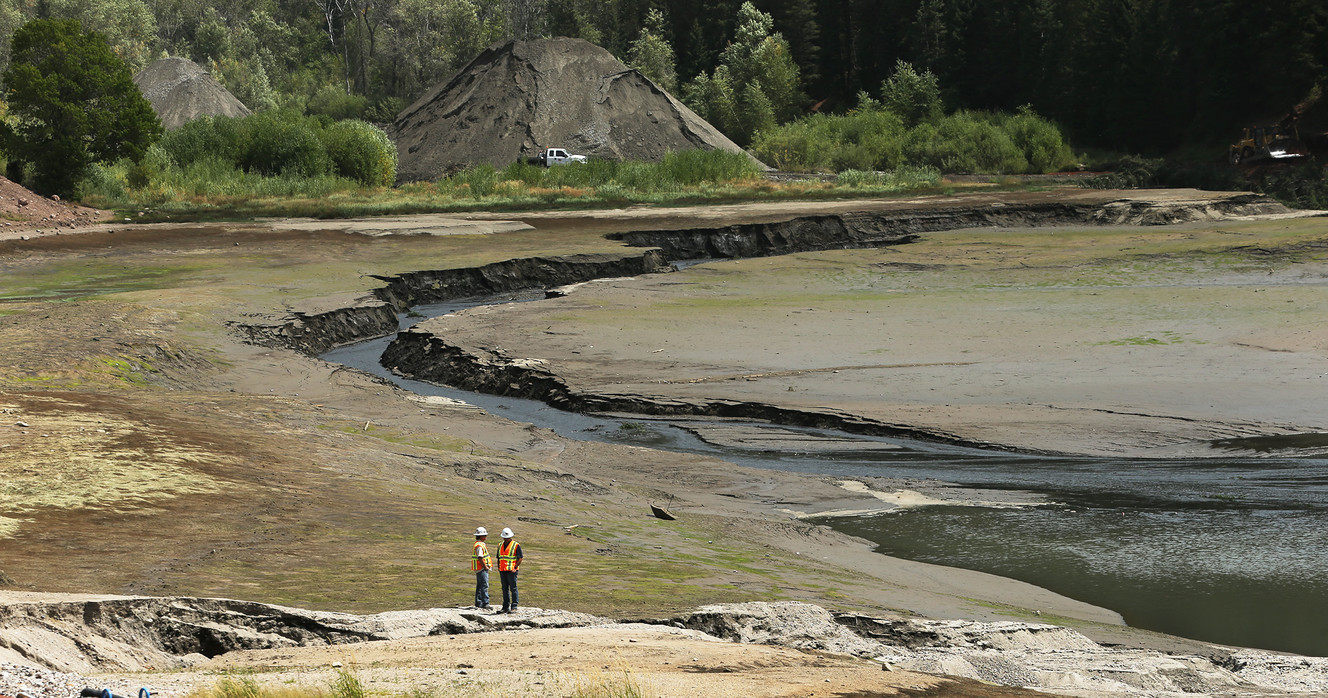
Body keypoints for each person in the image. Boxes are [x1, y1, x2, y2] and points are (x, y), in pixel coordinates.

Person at [496, 527, 523, 613]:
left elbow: (520, 558)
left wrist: (515, 568)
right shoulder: (500, 545)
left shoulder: (516, 545)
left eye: (507, 537)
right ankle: (505, 607)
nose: (506, 539)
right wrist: (499, 567)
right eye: (505, 537)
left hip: (511, 571)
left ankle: (514, 606)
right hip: (502, 570)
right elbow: (499, 557)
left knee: (513, 588)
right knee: (504, 588)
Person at [471, 526, 492, 610]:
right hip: (481, 568)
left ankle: (478, 602)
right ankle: (485, 602)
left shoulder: (479, 544)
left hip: (479, 568)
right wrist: (485, 566)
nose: (486, 537)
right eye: (484, 535)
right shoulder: (479, 545)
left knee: (480, 585)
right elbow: (480, 557)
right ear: (481, 536)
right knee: (484, 585)